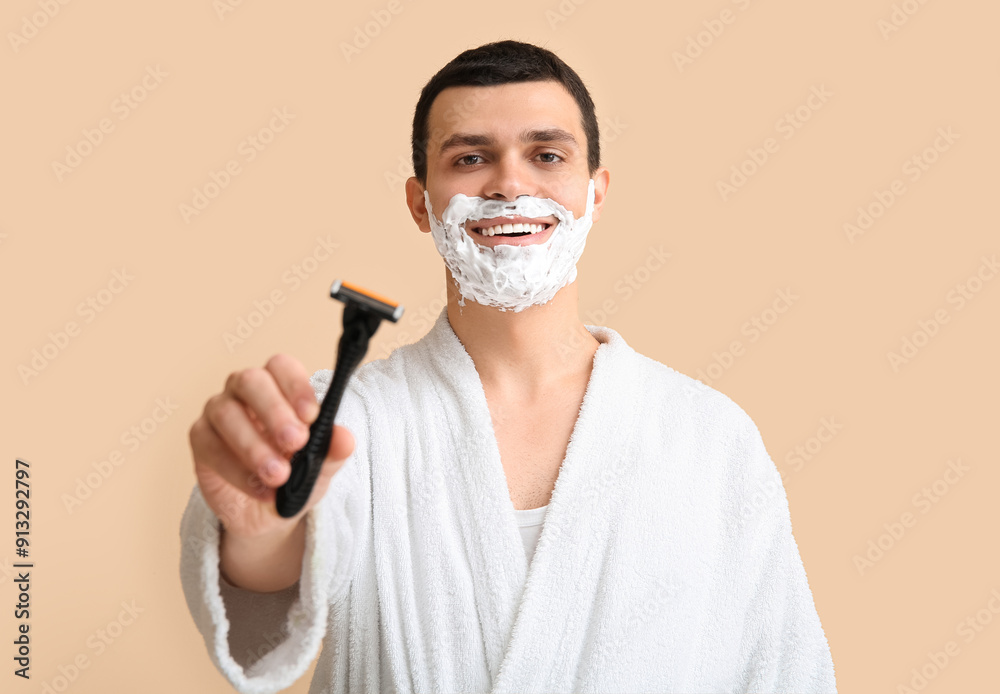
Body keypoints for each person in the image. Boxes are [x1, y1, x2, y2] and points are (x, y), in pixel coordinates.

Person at [179, 39, 837, 693]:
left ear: (595, 193)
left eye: (546, 155)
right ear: (420, 203)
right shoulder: (345, 422)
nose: (510, 184)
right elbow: (275, 570)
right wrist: (256, 532)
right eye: (471, 158)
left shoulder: (708, 437)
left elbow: (781, 668)